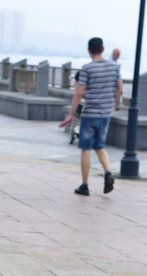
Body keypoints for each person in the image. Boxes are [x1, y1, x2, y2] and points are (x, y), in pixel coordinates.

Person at [58, 37, 122, 196]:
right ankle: (108, 172)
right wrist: (111, 104)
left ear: (89, 51)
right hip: (105, 115)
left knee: (86, 149)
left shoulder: (87, 68)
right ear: (103, 49)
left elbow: (79, 93)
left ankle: (85, 185)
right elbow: (120, 89)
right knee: (99, 147)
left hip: (90, 114)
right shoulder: (114, 67)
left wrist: (70, 115)